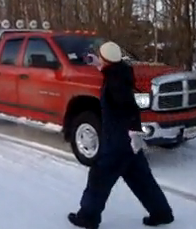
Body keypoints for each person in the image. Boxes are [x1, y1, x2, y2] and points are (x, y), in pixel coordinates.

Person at [68, 41, 174, 229]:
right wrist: (98, 65)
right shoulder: (120, 71)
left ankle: (87, 217)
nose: (98, 59)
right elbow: (117, 81)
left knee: (99, 179)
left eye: (100, 56)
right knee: (141, 179)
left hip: (118, 140)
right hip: (128, 140)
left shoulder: (115, 83)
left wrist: (132, 131)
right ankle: (162, 213)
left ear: (106, 60)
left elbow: (128, 106)